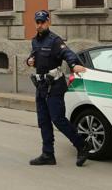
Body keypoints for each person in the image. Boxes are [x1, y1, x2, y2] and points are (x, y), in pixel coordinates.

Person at [27, 9, 89, 167]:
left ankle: (82, 145)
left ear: (48, 22)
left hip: (54, 86)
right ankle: (48, 154)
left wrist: (74, 65)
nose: (39, 25)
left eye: (42, 22)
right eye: (37, 22)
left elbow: (67, 53)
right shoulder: (35, 41)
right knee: (43, 121)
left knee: (58, 120)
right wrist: (29, 61)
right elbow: (33, 56)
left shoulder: (55, 40)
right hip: (41, 86)